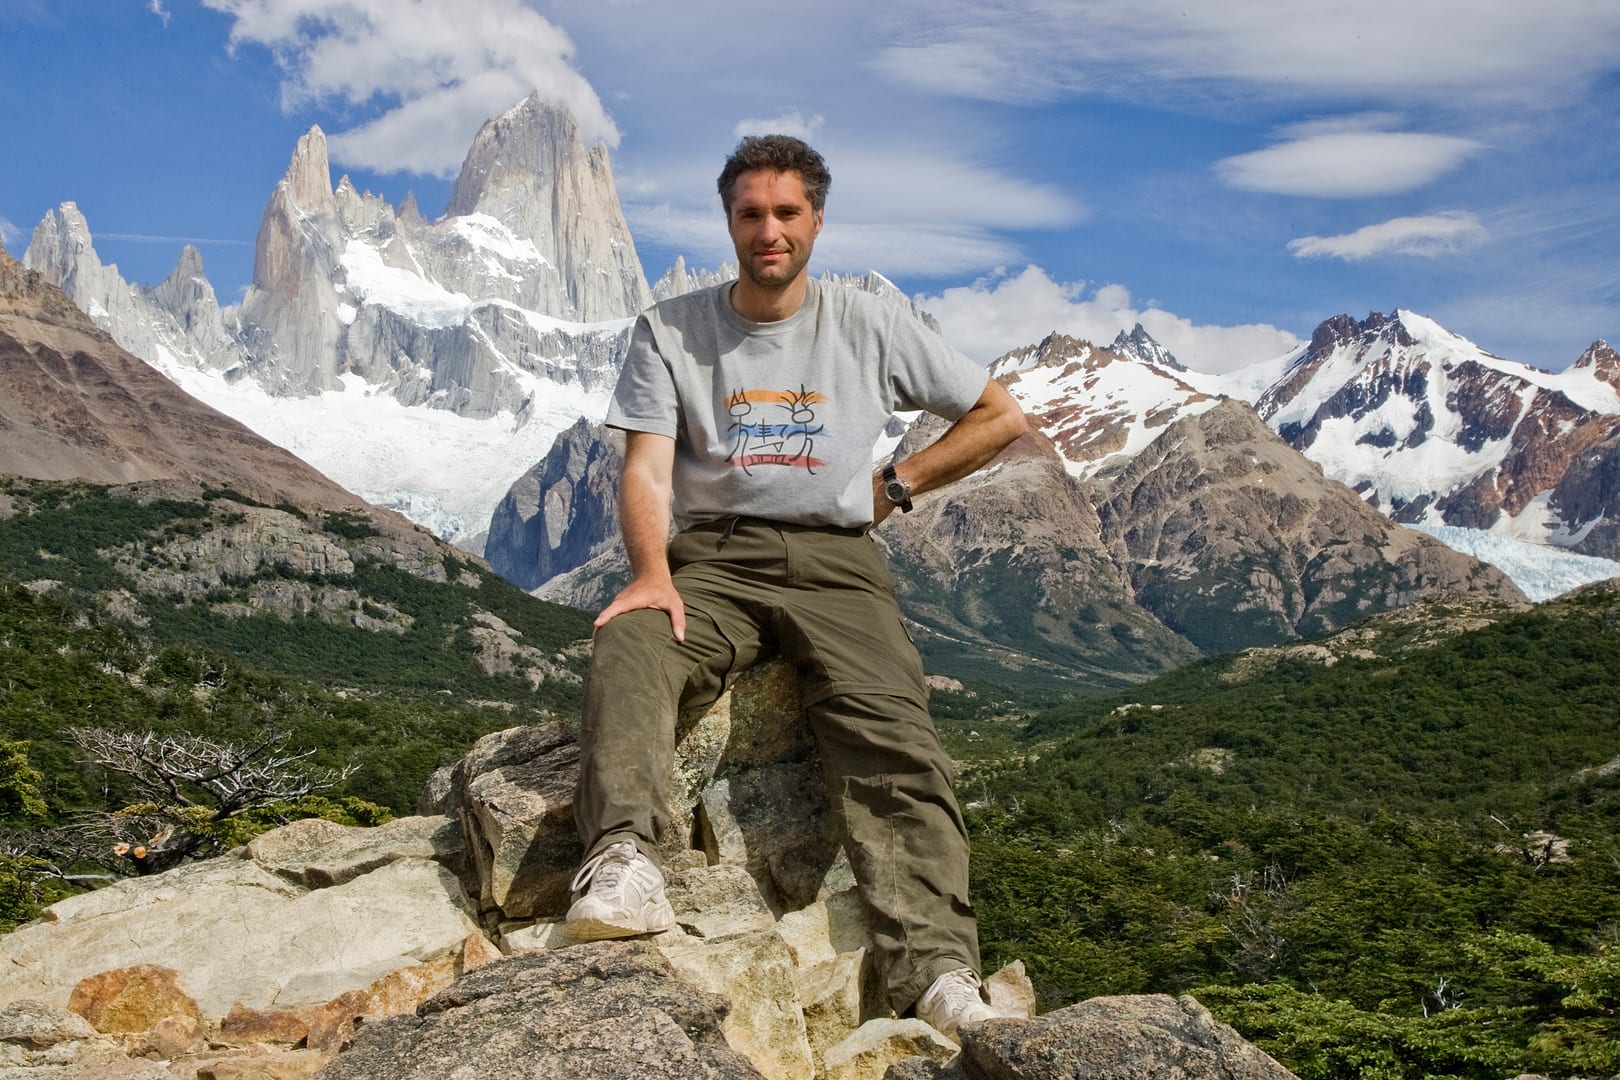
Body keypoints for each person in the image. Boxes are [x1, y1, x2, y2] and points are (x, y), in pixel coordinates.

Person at [566, 133, 1027, 1040]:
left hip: (839, 559)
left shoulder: (867, 320)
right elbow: (648, 468)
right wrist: (652, 575)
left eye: (786, 213)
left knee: (892, 729)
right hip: (716, 558)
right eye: (750, 214)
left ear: (817, 219)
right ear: (729, 221)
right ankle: (623, 859)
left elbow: (999, 416)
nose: (768, 231)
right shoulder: (670, 330)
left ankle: (935, 970)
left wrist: (897, 486)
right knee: (631, 643)